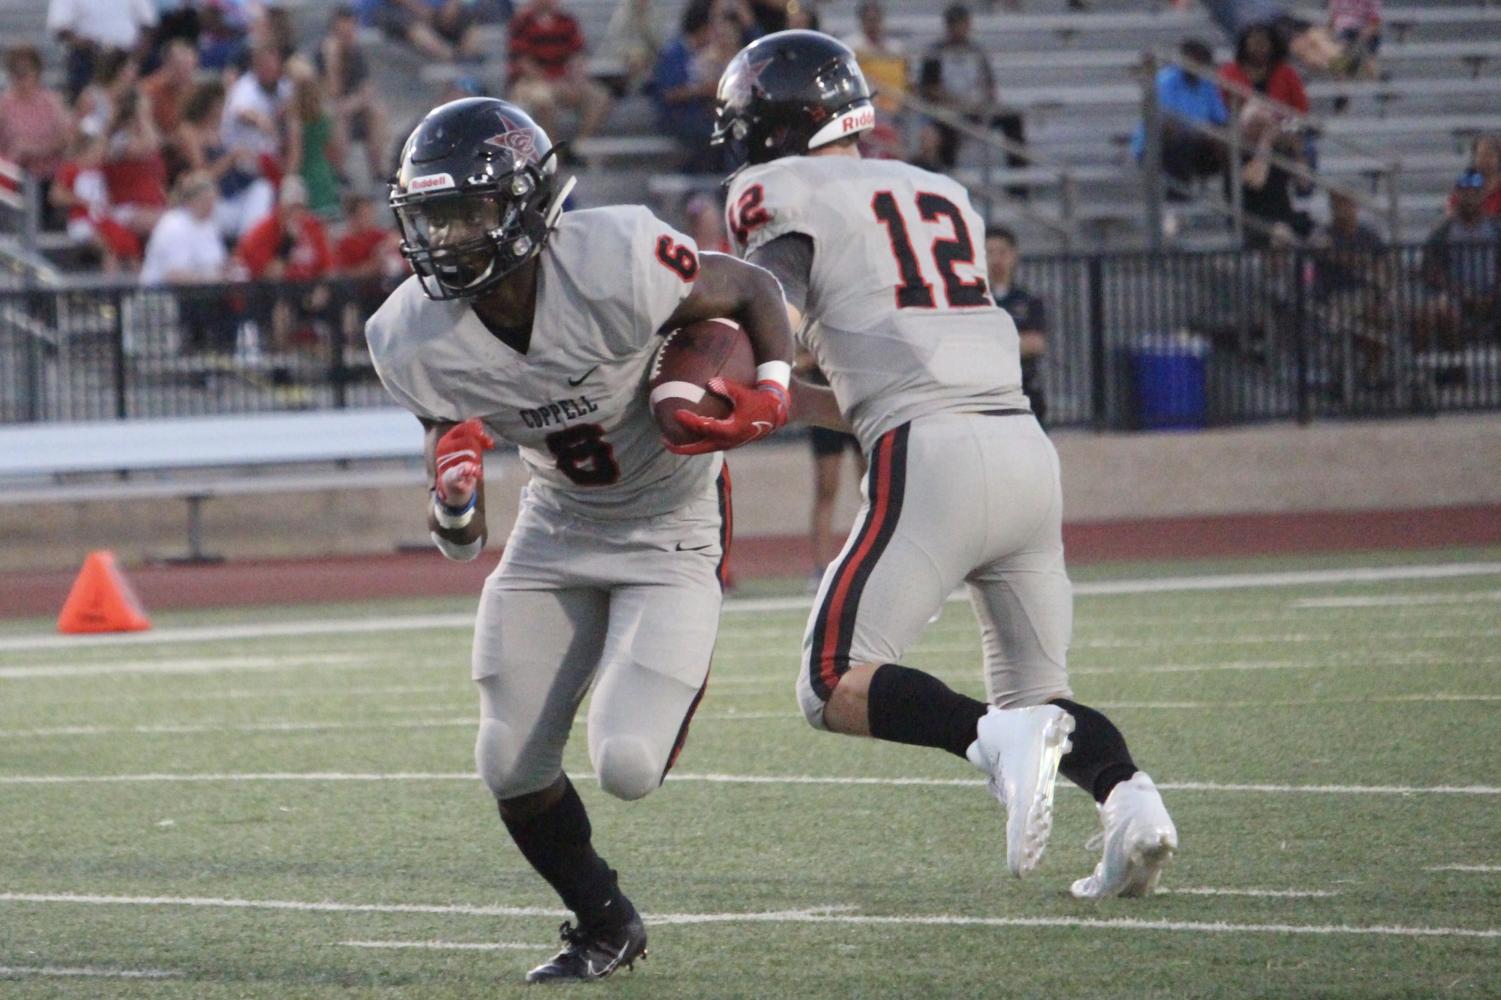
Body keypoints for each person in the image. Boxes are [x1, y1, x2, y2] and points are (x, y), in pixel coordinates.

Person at [711, 30, 1178, 897]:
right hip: (1023, 450)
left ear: (769, 127)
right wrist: (786, 398)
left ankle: (985, 740)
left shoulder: (775, 190)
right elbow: (894, 357)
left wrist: (707, 347)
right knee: (1040, 689)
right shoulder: (938, 191)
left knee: (828, 681)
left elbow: (754, 292)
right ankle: (1131, 803)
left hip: (929, 453)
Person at [364, 97, 794, 981]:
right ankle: (603, 921)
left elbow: (751, 289)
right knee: (508, 759)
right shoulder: (409, 336)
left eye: (463, 213)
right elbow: (460, 540)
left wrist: (776, 386)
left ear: (524, 205)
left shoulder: (614, 258)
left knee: (628, 763)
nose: (442, 239)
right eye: (428, 218)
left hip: (670, 520)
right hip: (556, 527)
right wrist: (452, 504)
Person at [918, 4, 1028, 194]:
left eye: (961, 24)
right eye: (954, 24)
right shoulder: (935, 53)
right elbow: (928, 89)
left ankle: (1018, 183)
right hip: (949, 110)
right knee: (946, 131)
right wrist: (955, 101)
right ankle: (947, 187)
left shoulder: (977, 52)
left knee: (1012, 119)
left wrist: (983, 100)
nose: (958, 29)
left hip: (976, 108)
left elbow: (990, 85)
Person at [141, 171, 233, 353]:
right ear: (193, 201)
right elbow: (174, 275)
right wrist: (212, 279)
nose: (212, 206)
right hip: (166, 295)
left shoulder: (209, 225)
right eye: (208, 201)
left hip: (203, 293)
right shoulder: (174, 226)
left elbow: (218, 262)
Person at [507, 0, 614, 154]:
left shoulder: (567, 21)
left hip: (562, 80)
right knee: (543, 100)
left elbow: (577, 54)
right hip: (529, 82)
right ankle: (550, 152)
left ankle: (578, 147)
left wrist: (575, 77)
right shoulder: (522, 22)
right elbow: (522, 61)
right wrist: (551, 81)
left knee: (600, 97)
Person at [1131, 38, 1229, 197]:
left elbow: (1220, 119)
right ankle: (1178, 203)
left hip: (1197, 143)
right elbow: (1167, 124)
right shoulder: (1165, 81)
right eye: (1192, 59)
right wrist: (1202, 134)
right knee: (1179, 144)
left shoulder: (1207, 84)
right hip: (1158, 146)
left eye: (1200, 60)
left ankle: (1238, 208)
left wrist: (1218, 136)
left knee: (1233, 148)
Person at [1417, 170, 1501, 354]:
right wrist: (1462, 292)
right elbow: (1429, 270)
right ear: (1457, 194)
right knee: (1437, 310)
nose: (1470, 197)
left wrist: (1494, 292)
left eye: (1475, 191)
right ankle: (1455, 370)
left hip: (1494, 296)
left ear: (1483, 194)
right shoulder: (1443, 230)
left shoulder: (1495, 228)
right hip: (1455, 296)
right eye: (1465, 191)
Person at [651, 0, 735, 173]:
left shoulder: (705, 52)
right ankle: (688, 175)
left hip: (699, 112)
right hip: (677, 116)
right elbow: (668, 93)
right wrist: (704, 89)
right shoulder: (674, 52)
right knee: (713, 134)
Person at [316, 4, 392, 180]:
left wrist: (351, 104)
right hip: (329, 110)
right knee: (335, 115)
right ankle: (338, 174)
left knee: (377, 111)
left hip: (350, 108)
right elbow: (331, 92)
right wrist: (333, 61)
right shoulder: (323, 53)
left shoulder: (355, 53)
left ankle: (378, 172)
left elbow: (367, 90)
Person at [0, 46, 73, 228]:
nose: (20, 77)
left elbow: (67, 137)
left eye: (24, 72)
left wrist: (36, 149)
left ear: (36, 72)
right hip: (16, 176)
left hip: (49, 174)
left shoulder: (51, 101)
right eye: (15, 72)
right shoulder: (4, 105)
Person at [985, 227, 1049, 425]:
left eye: (1002, 252)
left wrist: (989, 346)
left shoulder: (1028, 300)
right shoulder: (975, 301)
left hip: (1023, 389)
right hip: (986, 391)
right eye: (989, 253)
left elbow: (1036, 343)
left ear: (1014, 255)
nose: (996, 260)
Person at [46, 0, 157, 101]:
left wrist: (136, 57)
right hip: (89, 55)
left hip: (130, 53)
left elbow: (148, 23)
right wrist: (88, 44)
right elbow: (60, 27)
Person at [142, 39, 200, 136]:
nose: (185, 73)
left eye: (190, 67)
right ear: (167, 64)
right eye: (180, 66)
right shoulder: (148, 90)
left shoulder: (194, 90)